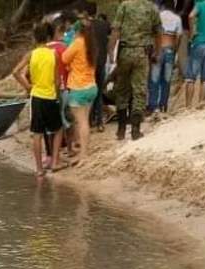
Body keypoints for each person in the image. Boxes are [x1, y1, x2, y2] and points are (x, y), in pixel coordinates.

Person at [13, 23, 64, 177]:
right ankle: (54, 162)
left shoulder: (31, 54)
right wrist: (56, 95)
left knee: (37, 133)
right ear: (48, 37)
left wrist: (28, 87)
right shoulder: (53, 54)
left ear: (35, 38)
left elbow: (16, 72)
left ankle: (39, 169)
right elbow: (57, 80)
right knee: (58, 129)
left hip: (36, 97)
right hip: (50, 96)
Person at [108, 0, 162, 140]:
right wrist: (157, 51)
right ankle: (135, 130)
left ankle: (121, 129)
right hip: (142, 54)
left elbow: (116, 30)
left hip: (124, 52)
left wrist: (110, 51)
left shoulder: (124, 5)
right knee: (139, 91)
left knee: (122, 89)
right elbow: (158, 31)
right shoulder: (151, 8)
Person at [63, 9, 97, 163]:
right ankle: (83, 149)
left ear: (77, 31)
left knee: (81, 122)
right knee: (85, 121)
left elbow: (64, 58)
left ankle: (84, 155)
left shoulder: (78, 42)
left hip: (78, 88)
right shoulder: (92, 44)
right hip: (91, 86)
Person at [148, 0, 183, 113]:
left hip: (157, 50)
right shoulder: (177, 19)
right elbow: (178, 37)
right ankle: (163, 105)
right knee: (166, 80)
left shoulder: (158, 16)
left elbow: (152, 34)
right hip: (170, 51)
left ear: (163, 5)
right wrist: (175, 51)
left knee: (154, 80)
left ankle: (153, 106)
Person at [47, 16, 73, 158]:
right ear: (60, 32)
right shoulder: (63, 48)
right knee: (67, 121)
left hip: (48, 91)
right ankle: (69, 149)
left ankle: (52, 154)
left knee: (53, 124)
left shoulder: (44, 49)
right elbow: (70, 69)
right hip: (63, 88)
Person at [88, 1, 111, 131]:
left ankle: (89, 120)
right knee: (98, 93)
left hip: (89, 64)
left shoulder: (84, 27)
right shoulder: (104, 25)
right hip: (102, 62)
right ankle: (99, 123)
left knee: (88, 93)